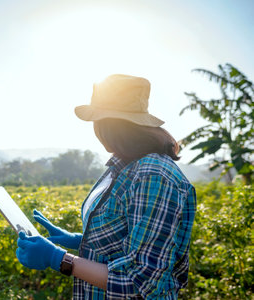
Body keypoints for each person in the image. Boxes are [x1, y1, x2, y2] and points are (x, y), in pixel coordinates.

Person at [16, 74, 196, 299]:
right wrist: (79, 240)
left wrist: (57, 258)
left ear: (109, 125)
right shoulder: (123, 165)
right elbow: (129, 241)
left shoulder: (152, 174)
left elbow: (140, 283)